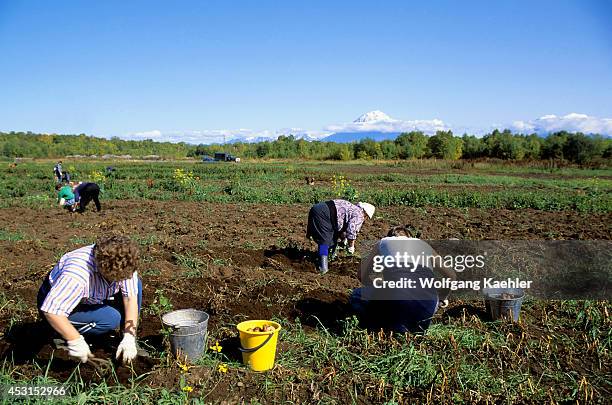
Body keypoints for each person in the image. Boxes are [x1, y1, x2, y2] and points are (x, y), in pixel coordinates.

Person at [37, 235, 142, 364]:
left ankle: (125, 342)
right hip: (59, 305)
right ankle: (59, 334)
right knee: (110, 318)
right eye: (117, 278)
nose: (122, 280)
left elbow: (130, 298)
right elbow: (52, 311)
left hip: (91, 296)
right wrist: (74, 339)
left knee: (137, 285)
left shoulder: (125, 260)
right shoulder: (77, 275)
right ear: (102, 269)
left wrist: (129, 336)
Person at [352, 226, 457, 333]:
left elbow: (362, 275)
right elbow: (451, 276)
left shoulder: (383, 243)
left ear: (390, 236)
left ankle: (377, 324)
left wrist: (379, 286)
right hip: (427, 306)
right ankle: (412, 325)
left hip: (395, 302)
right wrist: (443, 297)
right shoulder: (424, 245)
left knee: (356, 295)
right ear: (409, 237)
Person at [306, 199, 375, 275]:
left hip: (320, 209)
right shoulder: (359, 214)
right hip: (324, 214)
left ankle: (329, 258)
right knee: (324, 241)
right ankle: (323, 268)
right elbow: (351, 231)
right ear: (366, 214)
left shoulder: (353, 208)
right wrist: (351, 246)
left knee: (332, 238)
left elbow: (341, 225)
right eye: (367, 218)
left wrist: (343, 239)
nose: (365, 220)